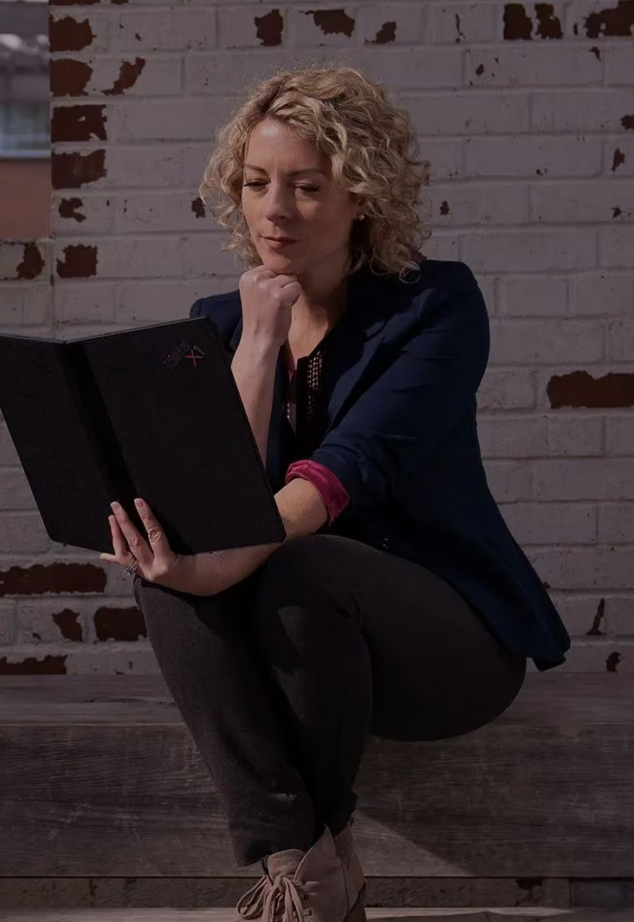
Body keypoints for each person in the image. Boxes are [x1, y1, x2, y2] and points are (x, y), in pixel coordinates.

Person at [97, 63, 572, 922]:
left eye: (305, 186)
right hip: (301, 656)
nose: (274, 208)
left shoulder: (435, 307)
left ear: (361, 196)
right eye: (255, 183)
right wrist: (254, 345)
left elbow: (339, 475)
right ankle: (304, 869)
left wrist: (214, 565)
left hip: (441, 647)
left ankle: (303, 874)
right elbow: (208, 499)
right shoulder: (222, 320)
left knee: (293, 566)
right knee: (164, 571)